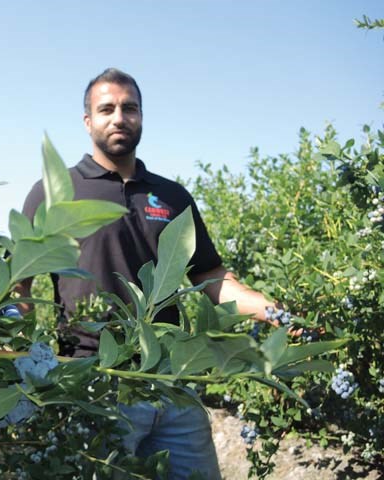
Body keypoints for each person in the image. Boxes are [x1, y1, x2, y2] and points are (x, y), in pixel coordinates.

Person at [18, 68, 283, 480]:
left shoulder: (171, 195)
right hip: (95, 380)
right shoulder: (56, 192)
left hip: (171, 380)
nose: (119, 117)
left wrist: (272, 310)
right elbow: (19, 281)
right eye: (106, 109)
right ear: (88, 121)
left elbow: (211, 278)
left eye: (130, 108)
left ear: (142, 116)